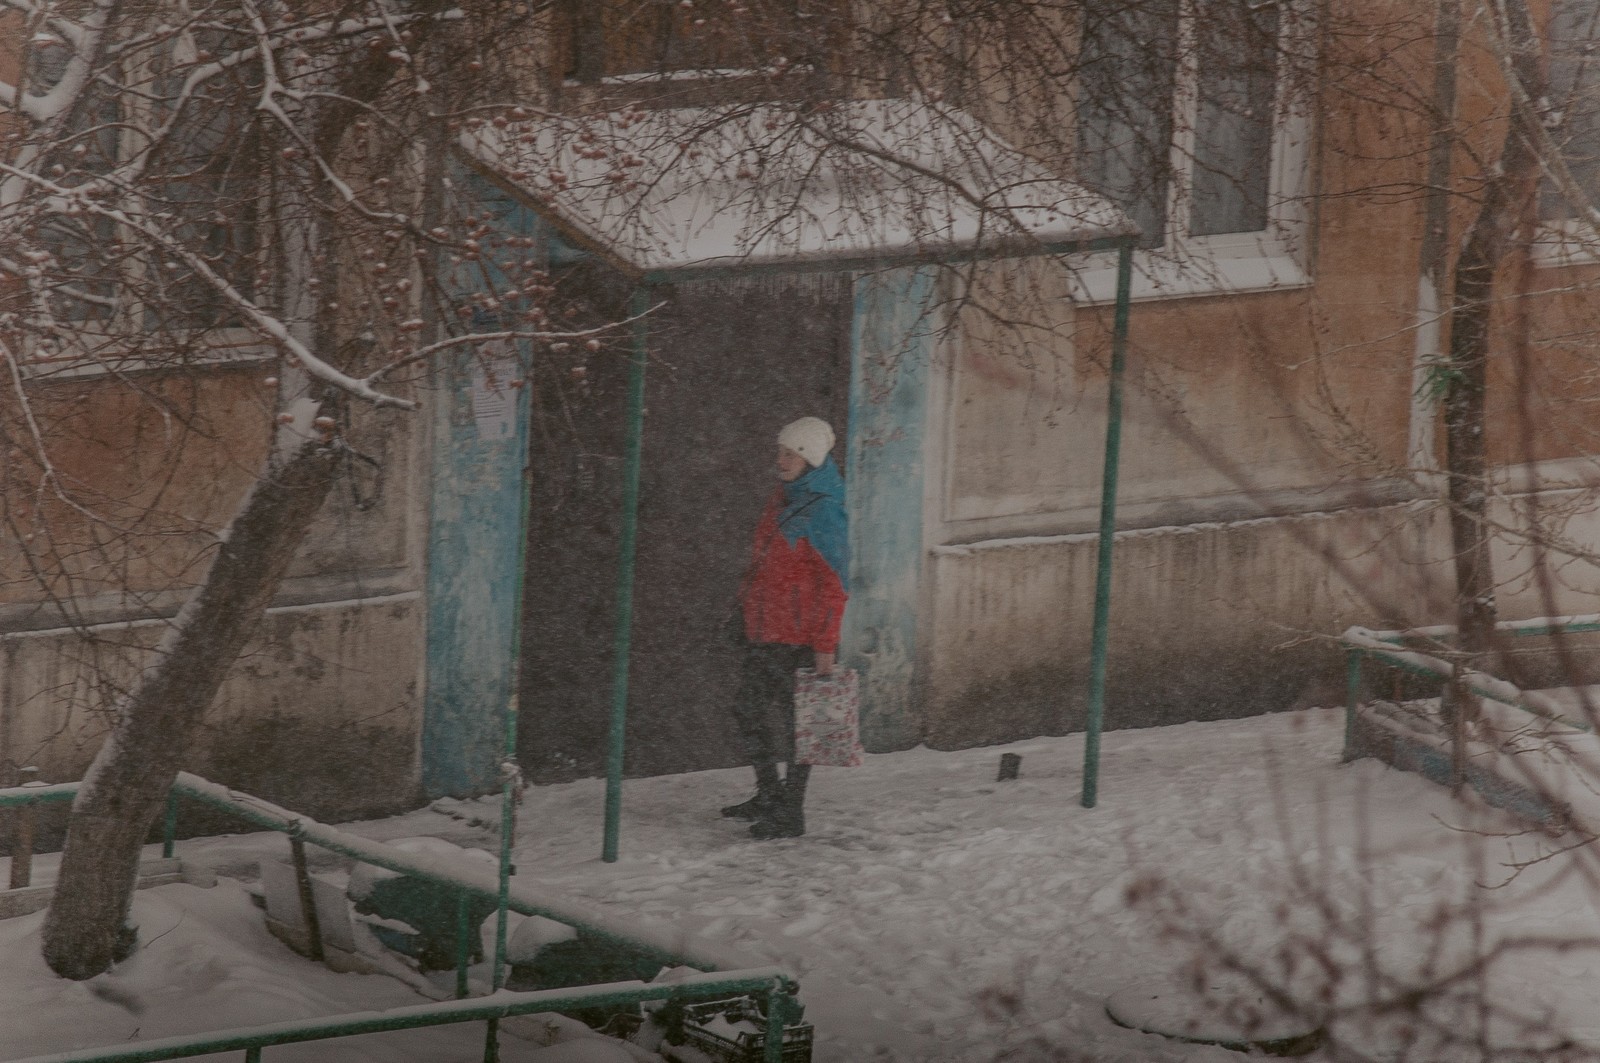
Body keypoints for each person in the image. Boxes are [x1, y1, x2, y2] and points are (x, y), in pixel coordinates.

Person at [722, 416, 848, 840]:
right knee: (749, 710)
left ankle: (790, 812)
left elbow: (835, 584)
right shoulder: (784, 499)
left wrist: (825, 646)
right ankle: (769, 792)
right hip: (766, 630)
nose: (781, 460)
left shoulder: (823, 507)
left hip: (799, 639)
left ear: (810, 458)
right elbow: (760, 565)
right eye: (780, 452)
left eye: (790, 454)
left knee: (802, 726)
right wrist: (744, 610)